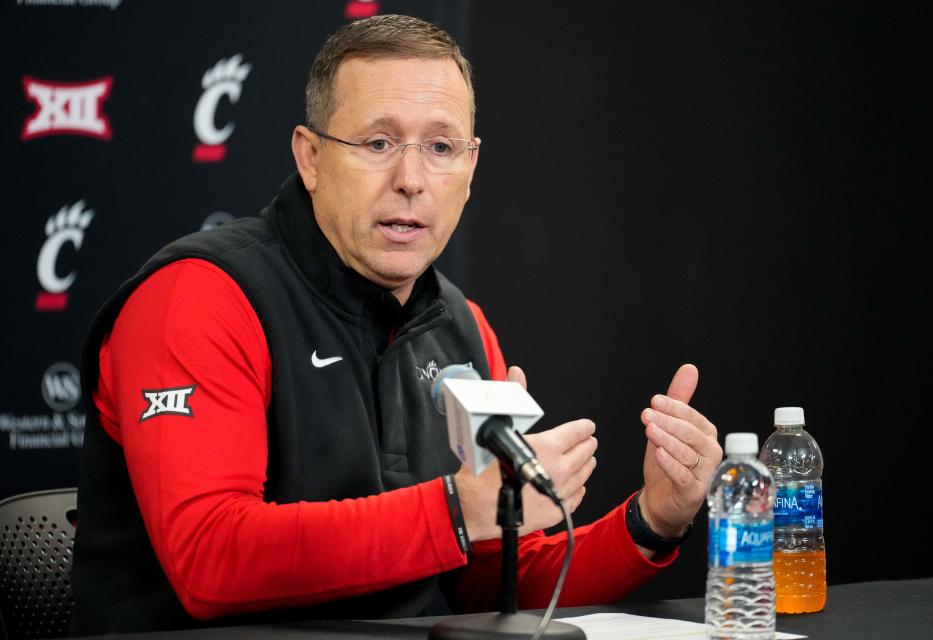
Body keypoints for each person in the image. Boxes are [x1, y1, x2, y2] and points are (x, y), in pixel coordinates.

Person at [70, 14, 723, 636]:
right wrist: (455, 510)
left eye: (440, 147)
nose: (411, 179)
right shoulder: (200, 296)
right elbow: (210, 561)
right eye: (378, 142)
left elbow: (493, 585)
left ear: (470, 167)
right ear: (312, 157)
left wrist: (651, 521)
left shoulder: (463, 326)